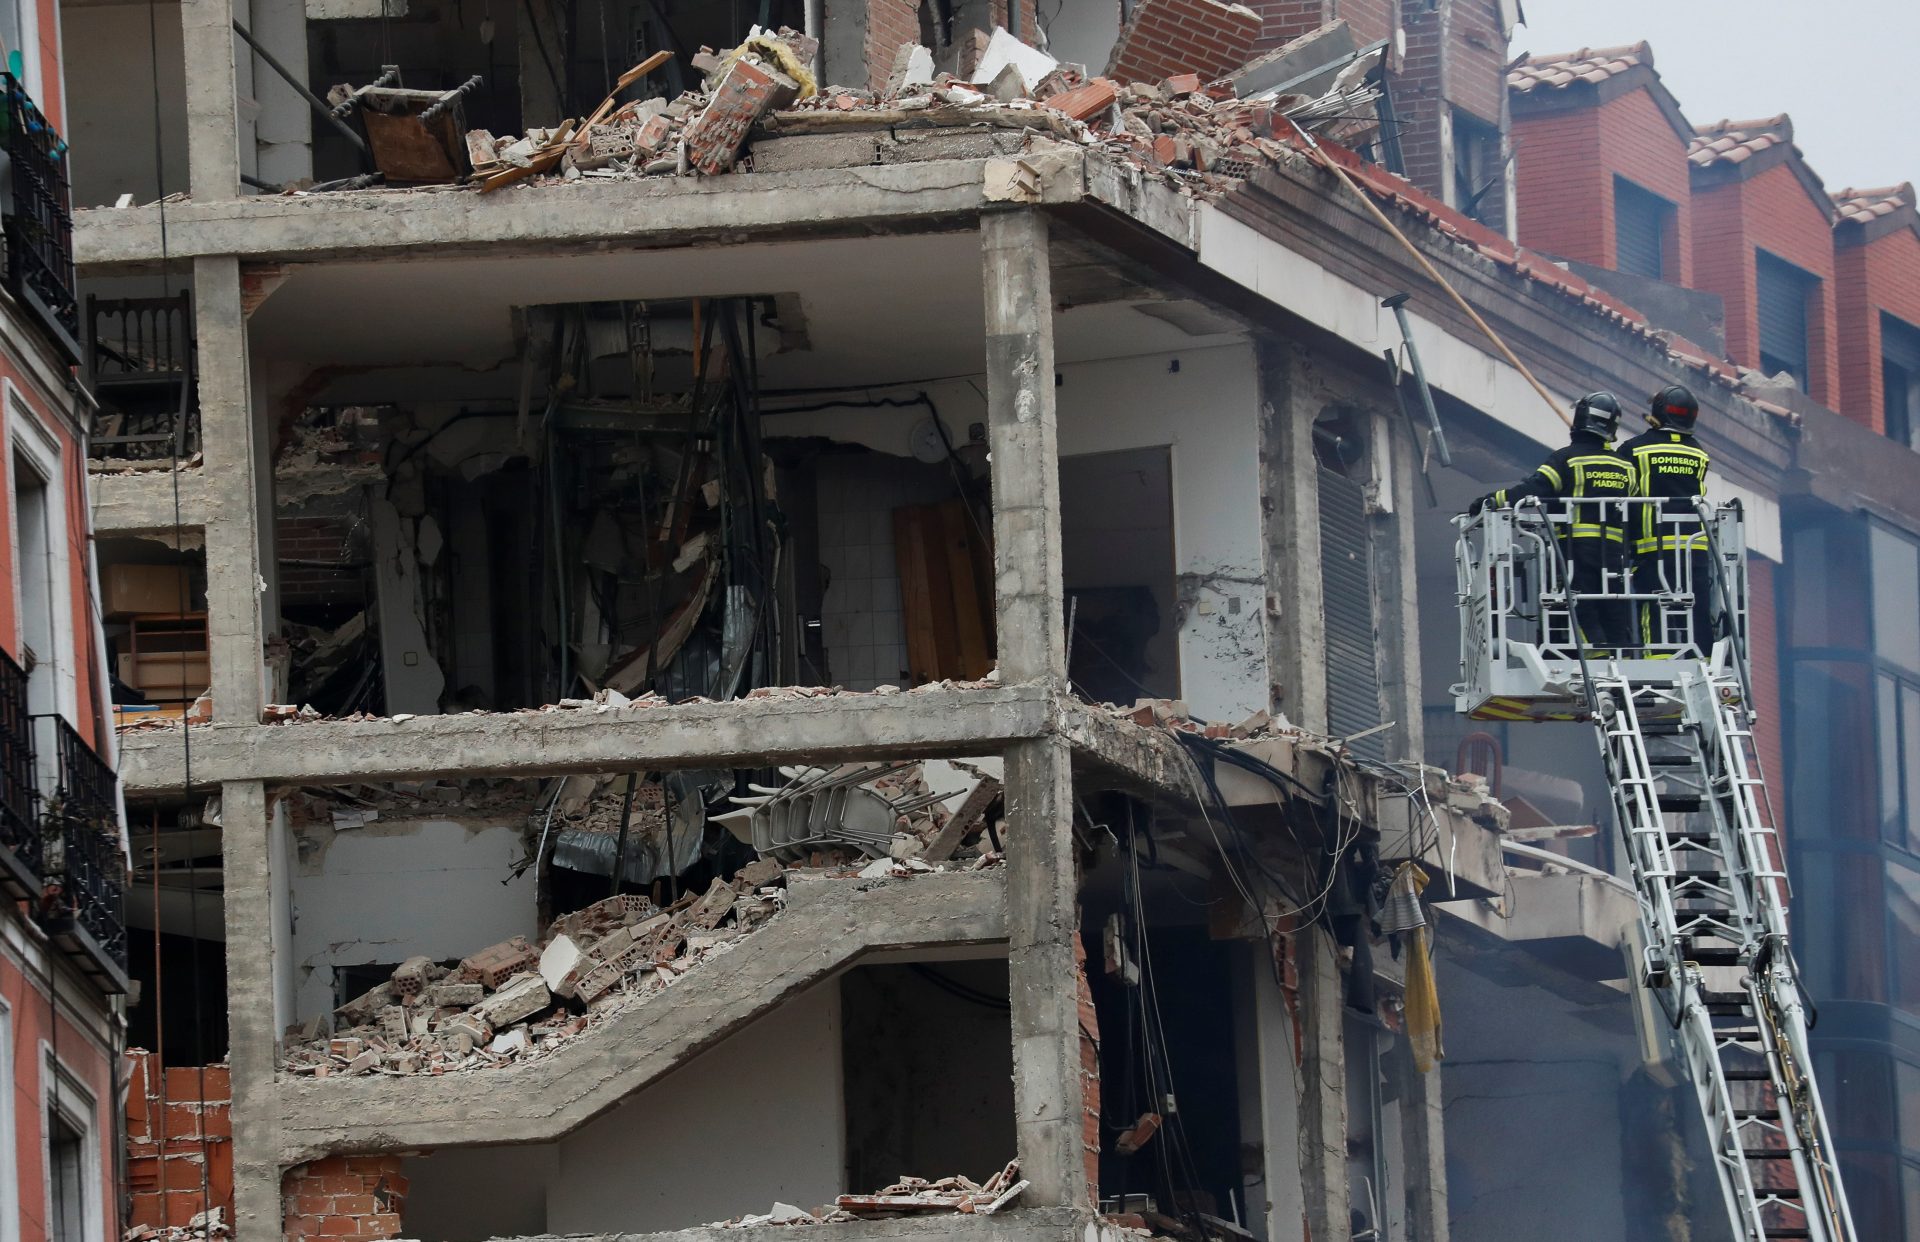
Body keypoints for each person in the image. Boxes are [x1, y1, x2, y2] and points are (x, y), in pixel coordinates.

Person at [1469, 392, 1635, 651]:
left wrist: (1492, 500)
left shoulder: (1566, 459)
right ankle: (1620, 654)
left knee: (1580, 603)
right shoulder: (1626, 467)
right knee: (1613, 605)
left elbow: (1533, 489)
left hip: (1576, 550)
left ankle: (1594, 658)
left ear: (1581, 420)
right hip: (1615, 553)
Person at [1617, 384, 1713, 655]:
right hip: (1695, 547)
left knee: (1654, 604)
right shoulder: (1699, 452)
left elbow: (1619, 490)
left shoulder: (1635, 449)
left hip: (1655, 546)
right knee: (1696, 606)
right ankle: (1702, 661)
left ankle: (1657, 660)